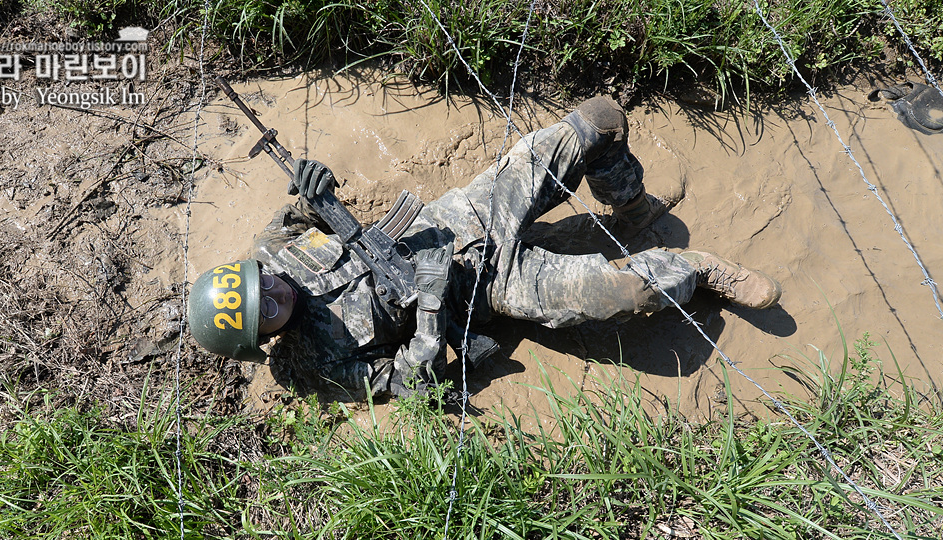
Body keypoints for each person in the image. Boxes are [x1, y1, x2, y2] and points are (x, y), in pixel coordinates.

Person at [188, 97, 781, 399]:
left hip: (464, 213)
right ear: (263, 340)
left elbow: (298, 208)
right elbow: (410, 384)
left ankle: (631, 206)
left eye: (259, 285)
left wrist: (311, 186)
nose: (273, 292)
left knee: (599, 123)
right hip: (488, 288)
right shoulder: (311, 365)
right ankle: (696, 271)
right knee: (626, 293)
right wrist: (427, 308)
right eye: (263, 311)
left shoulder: (270, 251)